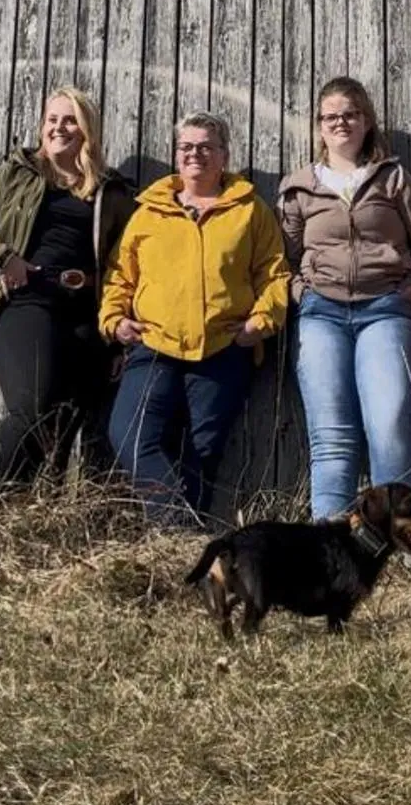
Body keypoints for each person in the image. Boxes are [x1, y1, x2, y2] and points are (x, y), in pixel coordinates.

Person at [101, 113, 289, 527]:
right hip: (154, 344)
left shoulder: (250, 211)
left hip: (222, 348)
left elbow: (274, 275)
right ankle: (180, 533)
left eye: (206, 146)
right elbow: (120, 275)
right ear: (176, 155)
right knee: (130, 434)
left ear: (224, 155)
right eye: (186, 147)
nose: (195, 154)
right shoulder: (149, 212)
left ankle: (182, 556)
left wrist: (261, 322)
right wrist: (114, 319)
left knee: (202, 451)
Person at [278, 76, 411, 522]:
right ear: (319, 126)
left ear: (366, 121)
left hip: (386, 314)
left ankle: (398, 542)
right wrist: (301, 292)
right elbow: (283, 258)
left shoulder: (393, 179)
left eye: (350, 114)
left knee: (389, 425)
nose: (340, 123)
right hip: (322, 316)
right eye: (330, 116)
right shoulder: (297, 188)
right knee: (331, 435)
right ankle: (330, 549)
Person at [0, 87, 134, 493]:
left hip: (85, 314)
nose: (58, 128)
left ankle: (31, 516)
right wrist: (2, 257)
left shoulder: (112, 191)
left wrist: (119, 335)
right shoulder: (15, 174)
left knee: (63, 425)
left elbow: (129, 266)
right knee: (32, 406)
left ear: (88, 130)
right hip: (26, 303)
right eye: (52, 119)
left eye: (69, 120)